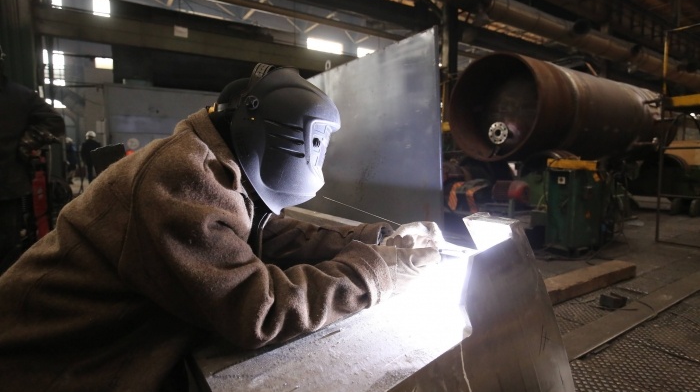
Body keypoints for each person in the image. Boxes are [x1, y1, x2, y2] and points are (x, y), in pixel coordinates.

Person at [0, 63, 441, 391]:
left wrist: (373, 239)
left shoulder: (214, 162)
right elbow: (258, 312)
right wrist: (376, 273)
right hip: (46, 368)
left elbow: (265, 233)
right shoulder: (181, 176)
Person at [0, 44, 65, 275]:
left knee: (7, 248)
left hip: (7, 186)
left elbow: (54, 122)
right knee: (7, 250)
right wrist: (28, 143)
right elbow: (54, 122)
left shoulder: (20, 96)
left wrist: (27, 143)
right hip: (9, 185)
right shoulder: (21, 96)